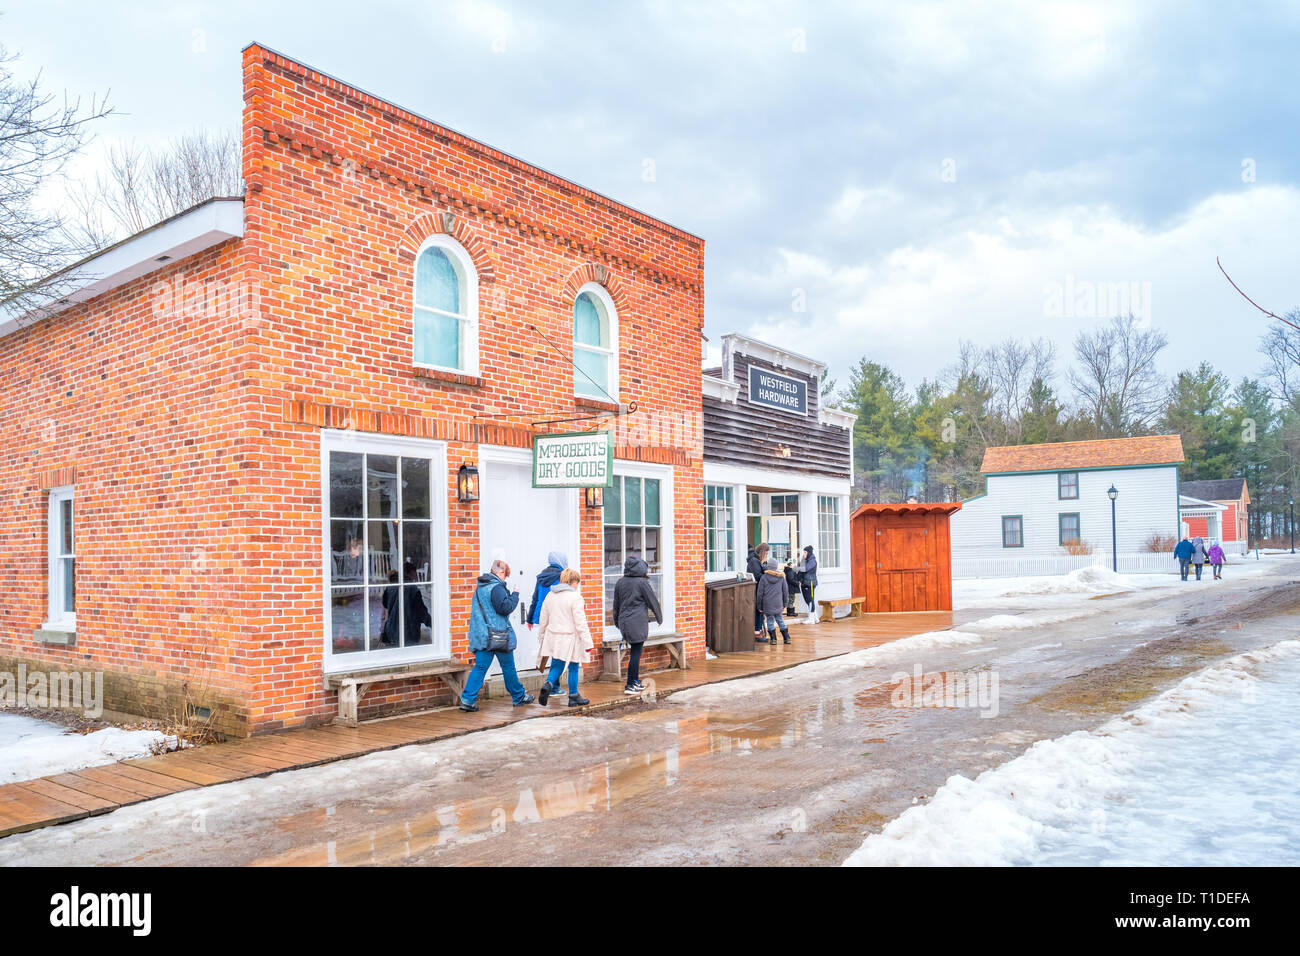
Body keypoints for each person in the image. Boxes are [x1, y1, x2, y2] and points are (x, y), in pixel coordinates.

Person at [459, 558, 535, 712]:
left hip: (482, 635)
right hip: (498, 635)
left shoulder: (481, 587)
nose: (506, 578)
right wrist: (515, 595)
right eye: (505, 575)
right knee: (508, 667)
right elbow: (505, 608)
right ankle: (519, 696)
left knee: (480, 667)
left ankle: (467, 700)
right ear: (500, 572)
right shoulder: (496, 588)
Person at [536, 568, 593, 707]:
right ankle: (573, 696)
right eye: (577, 583)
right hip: (569, 638)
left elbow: (543, 619)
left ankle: (548, 684)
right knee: (573, 666)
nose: (577, 586)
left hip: (553, 637)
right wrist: (587, 642)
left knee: (556, 665)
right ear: (573, 582)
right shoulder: (576, 598)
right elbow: (580, 623)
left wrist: (542, 636)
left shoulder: (550, 595)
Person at [612, 554, 663, 695]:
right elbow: (652, 600)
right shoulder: (642, 583)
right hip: (637, 622)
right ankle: (629, 684)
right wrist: (659, 617)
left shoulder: (620, 582)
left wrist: (616, 621)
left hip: (624, 622)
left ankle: (635, 681)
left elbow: (616, 605)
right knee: (635, 653)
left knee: (635, 651)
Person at [527, 551, 569, 692]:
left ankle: (553, 684)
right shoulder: (563, 576)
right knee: (559, 651)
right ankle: (554, 686)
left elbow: (535, 598)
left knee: (550, 649)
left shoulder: (541, 576)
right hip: (558, 616)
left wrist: (530, 618)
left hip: (542, 616)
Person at [380, 562, 432, 646]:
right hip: (408, 634)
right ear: (411, 572)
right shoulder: (413, 589)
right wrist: (432, 623)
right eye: (415, 572)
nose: (416, 574)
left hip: (391, 631)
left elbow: (385, 604)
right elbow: (421, 612)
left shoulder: (390, 587)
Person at [755, 557, 791, 644]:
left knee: (770, 621)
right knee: (780, 620)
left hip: (767, 605)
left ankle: (773, 639)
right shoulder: (781, 577)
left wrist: (759, 606)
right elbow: (785, 592)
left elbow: (760, 594)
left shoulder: (763, 578)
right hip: (778, 604)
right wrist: (785, 604)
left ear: (768, 566)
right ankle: (786, 638)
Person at [746, 543, 770, 638]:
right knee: (758, 610)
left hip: (758, 588)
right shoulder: (754, 561)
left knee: (760, 609)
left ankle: (758, 629)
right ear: (763, 552)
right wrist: (765, 571)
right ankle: (757, 631)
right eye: (767, 553)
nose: (767, 555)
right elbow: (758, 576)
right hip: (756, 589)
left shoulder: (755, 560)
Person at [797, 544, 819, 624]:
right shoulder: (805, 560)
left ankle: (811, 619)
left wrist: (795, 568)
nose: (804, 554)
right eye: (804, 552)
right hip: (805, 583)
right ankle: (815, 618)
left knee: (810, 600)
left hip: (810, 583)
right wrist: (799, 579)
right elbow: (801, 571)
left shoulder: (812, 561)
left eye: (805, 552)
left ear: (809, 552)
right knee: (809, 600)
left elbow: (805, 569)